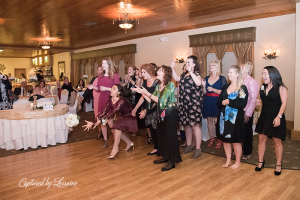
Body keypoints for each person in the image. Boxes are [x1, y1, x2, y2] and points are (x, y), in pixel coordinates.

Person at [133, 65, 182, 171]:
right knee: (162, 136)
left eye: (160, 70)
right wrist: (142, 93)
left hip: (170, 114)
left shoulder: (170, 85)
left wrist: (146, 93)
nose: (158, 71)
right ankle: (165, 157)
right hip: (161, 114)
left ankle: (171, 161)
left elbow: (162, 101)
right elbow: (152, 101)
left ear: (166, 73)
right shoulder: (158, 85)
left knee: (170, 138)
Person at [83, 84, 137, 158]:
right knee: (115, 130)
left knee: (117, 127)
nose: (111, 90)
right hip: (121, 115)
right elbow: (104, 112)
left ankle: (115, 149)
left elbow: (113, 112)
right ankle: (129, 143)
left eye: (114, 89)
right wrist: (93, 121)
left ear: (119, 92)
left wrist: (101, 121)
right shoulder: (110, 100)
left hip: (129, 115)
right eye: (111, 89)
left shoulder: (121, 101)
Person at [254, 66, 287, 176]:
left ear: (272, 74)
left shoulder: (281, 87)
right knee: (261, 140)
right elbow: (259, 96)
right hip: (264, 116)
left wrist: (279, 117)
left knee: (277, 142)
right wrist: (258, 100)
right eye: (262, 74)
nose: (263, 76)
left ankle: (278, 164)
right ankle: (260, 161)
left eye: (265, 74)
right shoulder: (263, 86)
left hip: (276, 117)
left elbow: (284, 103)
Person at [171, 55, 203, 159]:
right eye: (187, 62)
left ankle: (198, 149)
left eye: (189, 62)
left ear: (194, 64)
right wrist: (172, 68)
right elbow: (176, 78)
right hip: (184, 103)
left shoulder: (197, 74)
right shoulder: (184, 74)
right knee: (186, 125)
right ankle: (189, 146)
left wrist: (191, 72)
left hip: (194, 104)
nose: (187, 64)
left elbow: (198, 83)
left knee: (195, 126)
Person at [216, 65, 248, 169]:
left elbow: (242, 104)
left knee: (236, 140)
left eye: (231, 73)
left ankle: (238, 162)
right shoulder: (226, 87)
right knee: (225, 140)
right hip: (223, 118)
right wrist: (222, 102)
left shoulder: (242, 88)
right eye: (229, 72)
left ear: (237, 74)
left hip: (236, 119)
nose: (229, 74)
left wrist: (229, 102)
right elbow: (218, 102)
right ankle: (228, 160)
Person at [89, 59, 120, 148]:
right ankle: (105, 140)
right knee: (102, 122)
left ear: (109, 64)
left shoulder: (115, 75)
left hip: (110, 100)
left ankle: (116, 141)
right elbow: (98, 88)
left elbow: (117, 89)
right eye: (102, 63)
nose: (103, 64)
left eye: (105, 63)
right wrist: (93, 87)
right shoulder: (100, 75)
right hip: (102, 99)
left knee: (110, 123)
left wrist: (106, 89)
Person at [132, 64, 159, 154]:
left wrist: (145, 111)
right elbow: (143, 97)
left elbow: (157, 100)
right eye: (142, 72)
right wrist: (136, 108)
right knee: (151, 128)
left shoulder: (157, 82)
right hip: (148, 107)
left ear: (150, 71)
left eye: (144, 72)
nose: (142, 74)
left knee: (157, 129)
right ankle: (156, 148)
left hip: (156, 109)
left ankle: (160, 149)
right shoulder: (145, 82)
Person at [202, 61, 227, 148]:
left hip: (217, 101)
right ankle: (212, 138)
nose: (210, 67)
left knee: (217, 121)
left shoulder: (222, 78)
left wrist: (213, 89)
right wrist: (203, 86)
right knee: (209, 120)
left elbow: (224, 92)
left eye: (212, 65)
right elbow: (204, 92)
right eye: (210, 65)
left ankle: (219, 139)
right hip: (208, 100)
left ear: (217, 67)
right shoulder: (206, 78)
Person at [240, 62, 259, 160]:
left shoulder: (252, 82)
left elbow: (253, 99)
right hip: (238, 110)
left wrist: (247, 114)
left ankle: (247, 152)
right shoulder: (239, 80)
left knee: (247, 132)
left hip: (246, 111)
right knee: (239, 131)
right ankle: (239, 149)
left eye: (242, 67)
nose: (240, 68)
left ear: (248, 70)